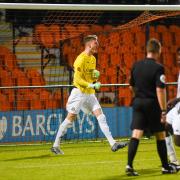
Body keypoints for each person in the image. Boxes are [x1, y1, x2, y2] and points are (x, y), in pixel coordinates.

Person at [51, 35, 128, 155]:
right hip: (79, 93)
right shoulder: (80, 59)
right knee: (70, 118)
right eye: (96, 43)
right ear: (89, 44)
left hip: (89, 94)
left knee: (101, 116)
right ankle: (55, 145)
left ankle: (113, 143)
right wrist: (92, 85)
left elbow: (90, 77)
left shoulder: (93, 59)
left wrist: (95, 76)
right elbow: (78, 79)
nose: (98, 45)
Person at [126, 38, 177, 176]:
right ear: (158, 50)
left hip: (138, 102)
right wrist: (163, 111)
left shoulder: (136, 65)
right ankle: (166, 167)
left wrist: (139, 95)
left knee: (136, 133)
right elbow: (160, 90)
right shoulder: (158, 67)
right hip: (152, 104)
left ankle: (129, 165)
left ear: (147, 50)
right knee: (160, 135)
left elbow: (131, 86)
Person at [166, 47, 180, 148]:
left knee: (178, 142)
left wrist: (176, 100)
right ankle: (173, 160)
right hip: (177, 108)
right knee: (163, 126)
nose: (178, 57)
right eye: (178, 55)